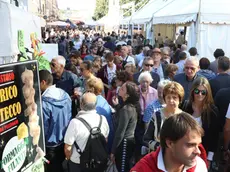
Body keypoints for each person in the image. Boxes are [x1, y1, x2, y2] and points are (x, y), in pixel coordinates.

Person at [131, 112, 208, 172]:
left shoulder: (199, 166)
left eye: (198, 145)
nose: (198, 151)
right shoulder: (142, 169)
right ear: (170, 143)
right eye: (191, 145)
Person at [64, 92, 109, 172]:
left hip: (78, 163)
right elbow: (105, 140)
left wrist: (68, 159)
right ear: (95, 105)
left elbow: (68, 148)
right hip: (98, 162)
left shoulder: (75, 122)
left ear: (81, 104)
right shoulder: (103, 119)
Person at [182, 77, 219, 166]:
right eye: (197, 91)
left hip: (203, 151)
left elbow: (214, 135)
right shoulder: (185, 106)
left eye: (203, 92)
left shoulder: (212, 110)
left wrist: (209, 157)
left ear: (207, 93)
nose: (200, 94)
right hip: (184, 151)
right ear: (192, 91)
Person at [39, 70, 72, 172]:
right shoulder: (65, 95)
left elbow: (43, 128)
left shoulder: (44, 104)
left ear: (43, 82)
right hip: (65, 141)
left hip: (50, 146)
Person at [143, 82, 184, 151]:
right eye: (168, 97)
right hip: (157, 155)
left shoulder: (184, 118)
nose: (171, 101)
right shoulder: (156, 115)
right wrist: (159, 147)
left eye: (174, 98)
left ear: (180, 100)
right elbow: (146, 139)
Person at [111, 82, 141, 172]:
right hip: (127, 142)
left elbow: (120, 133)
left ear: (127, 95)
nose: (119, 88)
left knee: (123, 169)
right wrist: (116, 106)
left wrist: (113, 151)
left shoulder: (126, 109)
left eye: (122, 89)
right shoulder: (129, 107)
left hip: (124, 143)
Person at [85, 77, 114, 153]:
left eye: (87, 87)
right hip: (106, 136)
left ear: (92, 89)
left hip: (101, 140)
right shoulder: (101, 99)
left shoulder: (95, 104)